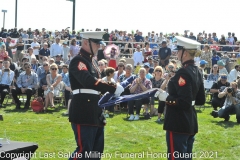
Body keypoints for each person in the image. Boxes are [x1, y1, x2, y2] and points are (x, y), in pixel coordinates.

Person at [68, 31, 123, 160]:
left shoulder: (92, 62)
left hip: (94, 111)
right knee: (84, 152)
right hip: (83, 110)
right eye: (96, 43)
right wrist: (112, 87)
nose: (99, 46)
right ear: (86, 42)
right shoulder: (78, 61)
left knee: (95, 153)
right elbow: (89, 81)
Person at [157, 36, 205, 159]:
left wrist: (166, 98)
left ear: (185, 53)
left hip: (178, 122)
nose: (176, 53)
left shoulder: (183, 72)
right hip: (190, 121)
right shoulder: (198, 70)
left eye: (179, 50)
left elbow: (184, 102)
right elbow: (200, 100)